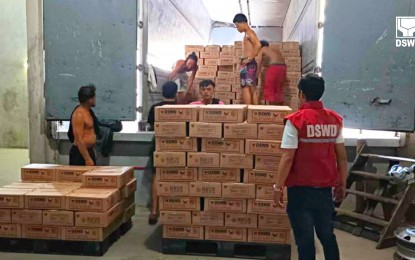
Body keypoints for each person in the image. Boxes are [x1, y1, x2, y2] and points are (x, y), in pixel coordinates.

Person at [272, 73, 347, 260]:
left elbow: (287, 157)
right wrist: (342, 183)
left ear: (301, 94)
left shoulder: (296, 121)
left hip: (300, 191)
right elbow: (342, 157)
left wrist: (278, 187)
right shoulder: (335, 120)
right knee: (327, 236)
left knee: (305, 241)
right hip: (324, 192)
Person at [147, 81, 178, 225]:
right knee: (177, 177)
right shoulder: (181, 108)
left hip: (159, 144)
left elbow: (153, 127)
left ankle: (154, 211)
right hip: (177, 146)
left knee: (156, 176)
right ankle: (175, 209)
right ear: (176, 93)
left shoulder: (154, 108)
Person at [233, 13, 262, 105]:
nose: (237, 28)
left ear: (243, 23)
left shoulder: (249, 33)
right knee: (251, 89)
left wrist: (249, 58)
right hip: (249, 64)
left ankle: (248, 111)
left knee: (245, 88)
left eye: (237, 26)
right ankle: (254, 113)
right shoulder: (248, 34)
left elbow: (258, 45)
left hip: (248, 64)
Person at [68, 85, 98, 166]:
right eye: (94, 97)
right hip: (80, 154)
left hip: (88, 151)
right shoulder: (79, 114)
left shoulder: (89, 112)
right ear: (89, 99)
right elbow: (79, 139)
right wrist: (87, 158)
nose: (95, 99)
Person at [256, 40, 286, 105]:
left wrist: (256, 77)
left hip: (274, 68)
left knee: (271, 91)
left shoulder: (262, 49)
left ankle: (272, 111)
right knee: (278, 91)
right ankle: (280, 111)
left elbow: (259, 65)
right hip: (283, 68)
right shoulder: (275, 49)